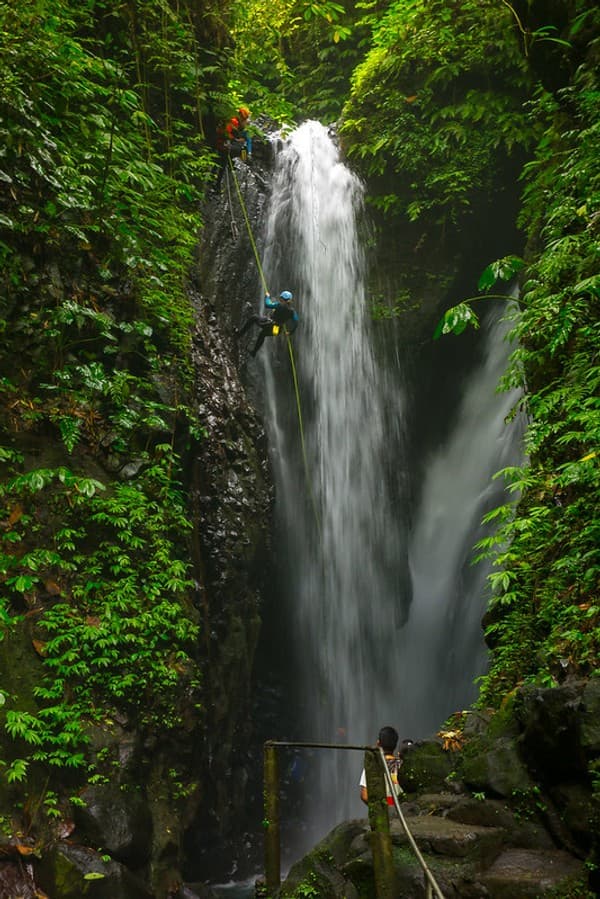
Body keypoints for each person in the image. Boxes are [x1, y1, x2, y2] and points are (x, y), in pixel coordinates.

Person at [235, 291, 299, 357]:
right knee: (262, 334)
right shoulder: (292, 312)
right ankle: (254, 352)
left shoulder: (278, 305)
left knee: (253, 318)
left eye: (281, 298)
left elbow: (267, 304)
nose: (280, 300)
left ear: (283, 299)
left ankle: (239, 335)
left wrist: (267, 297)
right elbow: (296, 322)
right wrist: (290, 332)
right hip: (277, 330)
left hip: (269, 324)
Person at [359, 725, 403, 806]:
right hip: (402, 810)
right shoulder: (403, 765)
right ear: (395, 745)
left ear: (378, 743)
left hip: (381, 813)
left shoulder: (372, 766)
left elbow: (364, 796)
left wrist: (382, 806)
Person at [213, 106, 253, 193]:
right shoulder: (233, 122)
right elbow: (226, 134)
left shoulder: (236, 123)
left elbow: (248, 139)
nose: (245, 121)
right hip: (224, 146)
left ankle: (216, 184)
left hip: (224, 145)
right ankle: (217, 185)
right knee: (241, 150)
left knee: (222, 164)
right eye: (245, 118)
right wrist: (235, 140)